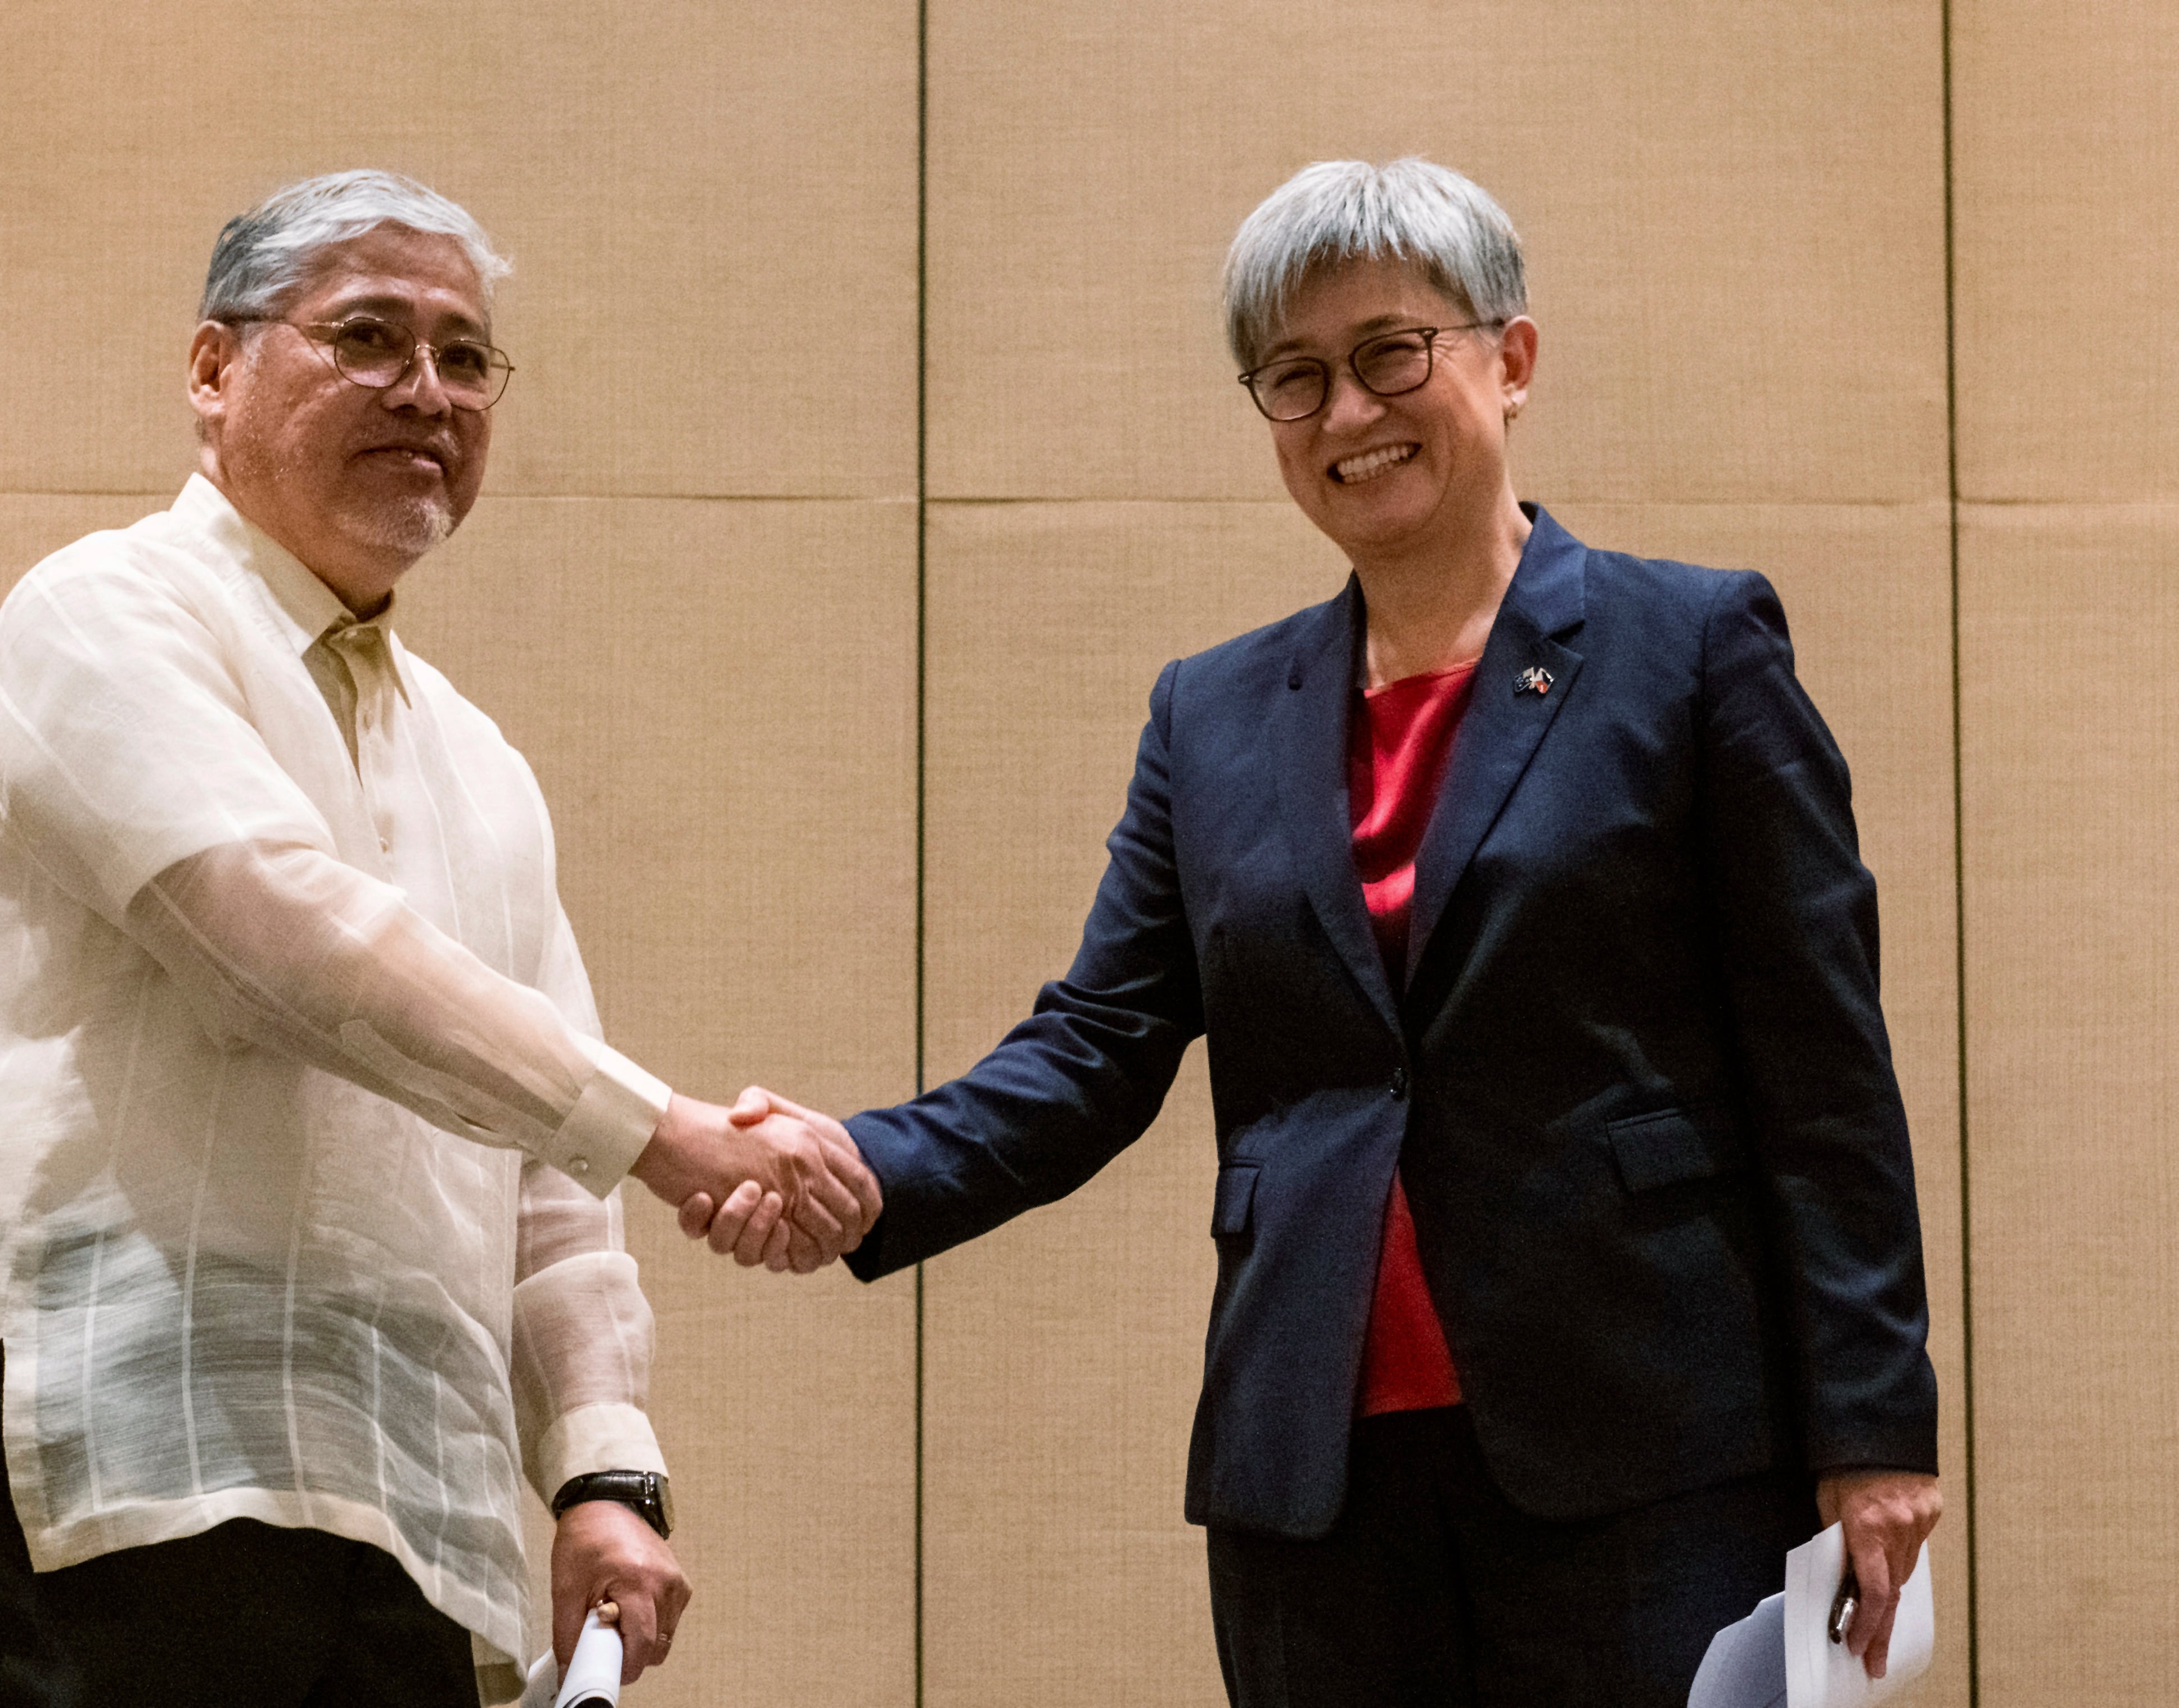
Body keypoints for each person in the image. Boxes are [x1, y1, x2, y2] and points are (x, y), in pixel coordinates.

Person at [688, 158, 1941, 1707]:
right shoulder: (1209, 713)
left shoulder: (1688, 647)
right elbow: (1097, 1042)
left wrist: (1872, 1426)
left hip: (1647, 1440)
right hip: (1314, 1466)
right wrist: (869, 1169)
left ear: (1511, 358)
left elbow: (1819, 1060)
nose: (1348, 413)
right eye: (1294, 378)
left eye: (1388, 353)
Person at [0, 169, 879, 1707]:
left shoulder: (481, 761)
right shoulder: (99, 614)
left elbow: (551, 1187)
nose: (427, 393)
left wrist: (608, 1473)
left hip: (414, 1520)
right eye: (369, 337)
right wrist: (666, 1132)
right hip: (125, 1477)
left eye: (465, 358)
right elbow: (277, 940)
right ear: (214, 371)